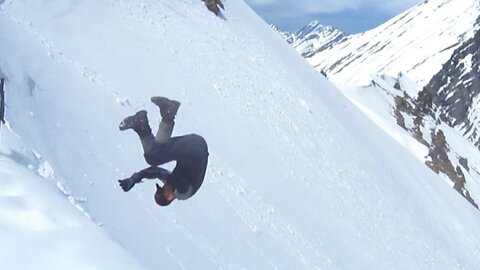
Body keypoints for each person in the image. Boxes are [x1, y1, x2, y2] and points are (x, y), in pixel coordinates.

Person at [118, 97, 209, 206]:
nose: (164, 186)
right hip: (196, 149)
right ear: (169, 197)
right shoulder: (183, 192)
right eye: (163, 190)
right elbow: (166, 176)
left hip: (190, 150)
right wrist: (142, 176)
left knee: (153, 155)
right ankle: (166, 113)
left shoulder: (171, 183)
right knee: (154, 156)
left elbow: (158, 172)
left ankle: (143, 123)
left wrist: (136, 177)